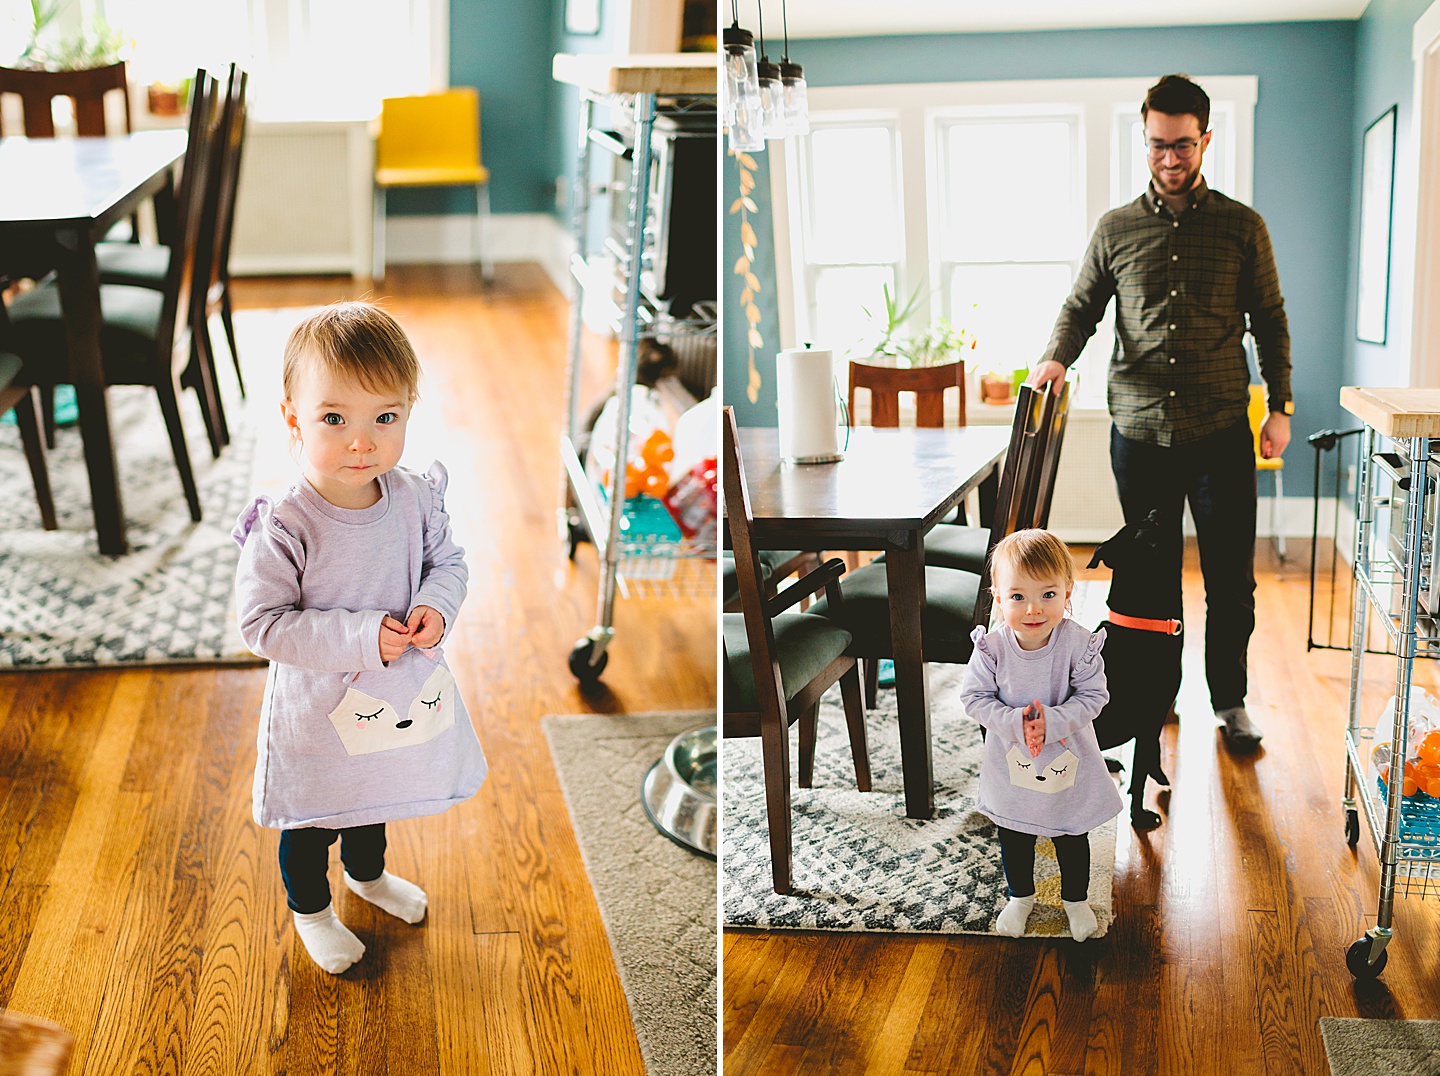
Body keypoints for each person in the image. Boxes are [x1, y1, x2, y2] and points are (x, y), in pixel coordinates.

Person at [1029, 73, 1291, 750]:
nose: (1169, 160)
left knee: (1230, 579)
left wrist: (1281, 404)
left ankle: (1229, 702)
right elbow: (1081, 307)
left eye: (1182, 145)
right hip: (1139, 434)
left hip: (1221, 433)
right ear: (1143, 142)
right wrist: (1055, 357)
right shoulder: (1116, 229)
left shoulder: (1243, 226)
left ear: (1205, 139)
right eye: (1156, 146)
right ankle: (1156, 694)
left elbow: (1270, 319)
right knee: (1150, 577)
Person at [233, 302, 487, 974]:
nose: (361, 442)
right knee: (314, 815)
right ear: (294, 417)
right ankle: (312, 910)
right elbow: (262, 623)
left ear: (408, 410)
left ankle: (367, 876)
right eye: (334, 419)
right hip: (316, 711)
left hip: (390, 697)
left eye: (385, 418)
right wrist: (362, 636)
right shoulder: (286, 524)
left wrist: (437, 603)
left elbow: (449, 564)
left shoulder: (413, 498)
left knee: (373, 795)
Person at [960, 529, 1122, 941]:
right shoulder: (992, 649)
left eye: (1048, 595)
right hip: (1010, 756)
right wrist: (1016, 723)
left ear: (1068, 591)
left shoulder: (1078, 644)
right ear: (998, 597)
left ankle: (1075, 900)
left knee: (1072, 833)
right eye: (1018, 597)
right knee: (1014, 832)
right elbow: (974, 698)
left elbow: (1093, 696)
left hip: (1067, 755)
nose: (1033, 609)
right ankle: (1021, 896)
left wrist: (1052, 721)